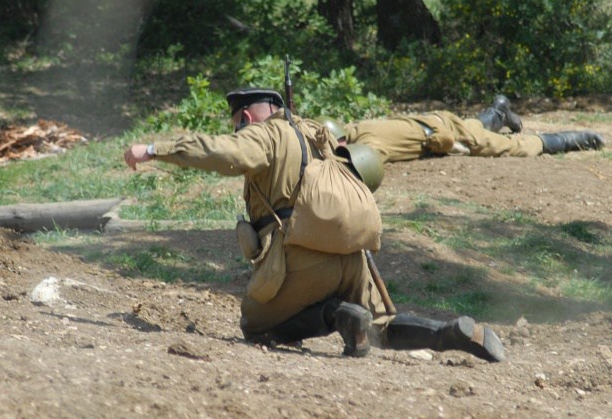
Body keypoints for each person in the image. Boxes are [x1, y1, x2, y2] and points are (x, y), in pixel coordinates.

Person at [124, 87, 506, 362]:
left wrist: (156, 150)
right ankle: (450, 333)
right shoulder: (320, 136)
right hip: (352, 256)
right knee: (381, 327)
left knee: (255, 328)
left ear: (245, 117)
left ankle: (336, 315)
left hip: (298, 256)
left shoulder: (267, 133)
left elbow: (224, 153)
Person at [317, 95, 605, 164]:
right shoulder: (360, 126)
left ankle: (565, 139)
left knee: (507, 147)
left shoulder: (367, 143)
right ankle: (498, 111)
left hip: (442, 134)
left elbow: (358, 168)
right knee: (471, 129)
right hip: (439, 120)